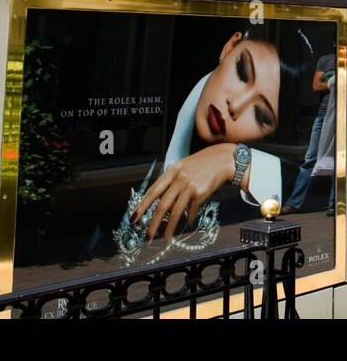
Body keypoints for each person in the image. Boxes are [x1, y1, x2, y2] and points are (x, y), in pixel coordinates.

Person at [127, 27, 313, 244]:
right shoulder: (156, 110)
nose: (234, 105)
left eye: (260, 115)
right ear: (229, 47)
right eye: (242, 72)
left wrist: (232, 159)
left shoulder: (257, 181)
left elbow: (314, 186)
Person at [281, 53, 336, 216]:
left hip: (346, 116)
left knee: (340, 160)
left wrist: (332, 82)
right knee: (310, 158)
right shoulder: (326, 60)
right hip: (323, 115)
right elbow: (316, 85)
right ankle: (294, 203)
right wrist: (336, 82)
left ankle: (334, 204)